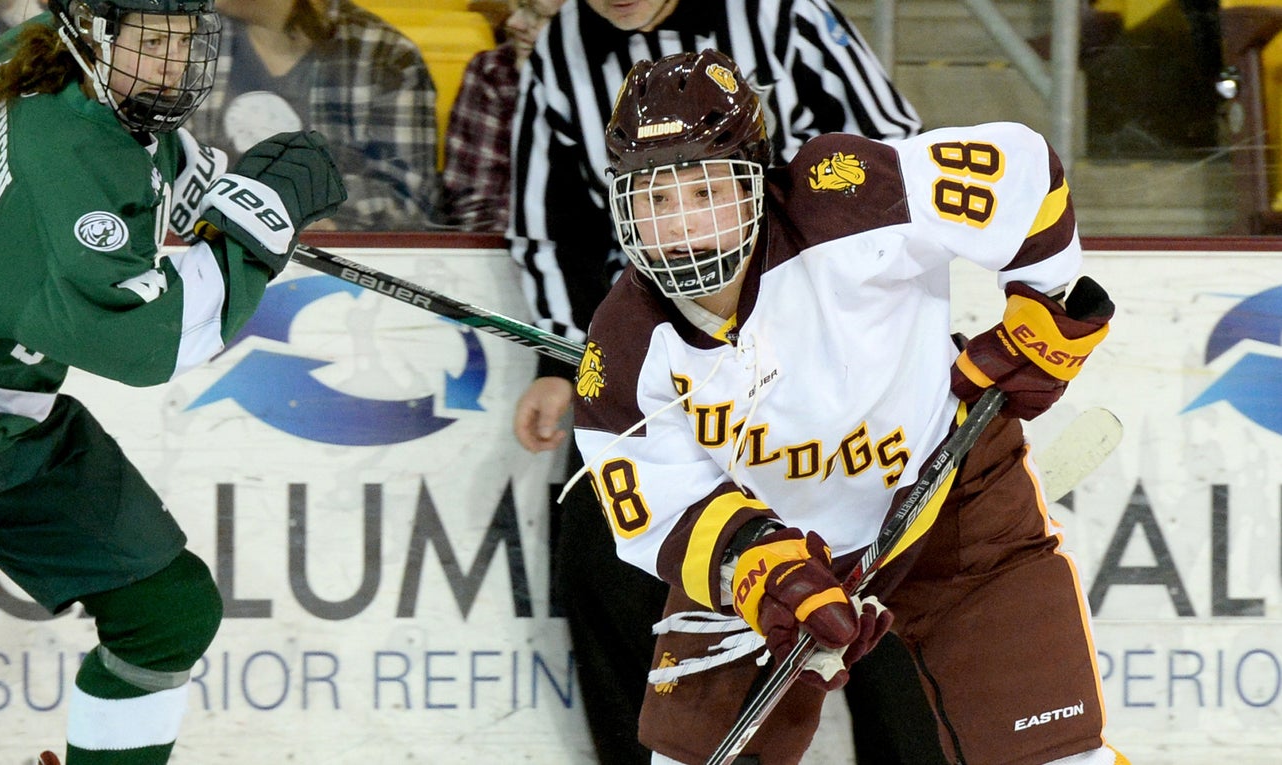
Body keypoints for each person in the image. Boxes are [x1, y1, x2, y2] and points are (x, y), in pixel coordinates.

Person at [571, 48, 1122, 765]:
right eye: (655, 198)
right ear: (623, 205)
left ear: (755, 181)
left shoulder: (851, 198)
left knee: (1057, 755)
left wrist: (1042, 315)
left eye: (705, 192)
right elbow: (663, 509)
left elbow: (1022, 171)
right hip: (777, 560)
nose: (682, 225)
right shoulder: (621, 346)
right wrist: (758, 570)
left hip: (952, 499)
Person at [505, 2, 922, 762]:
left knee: (884, 569)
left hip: (814, 341)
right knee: (606, 550)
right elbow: (548, 215)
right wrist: (565, 359)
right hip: (661, 356)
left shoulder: (779, 13)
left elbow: (895, 149)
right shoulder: (565, 48)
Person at [0, 1, 344, 763]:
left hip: (3, 411)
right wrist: (256, 232)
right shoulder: (65, 156)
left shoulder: (45, 57)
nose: (174, 63)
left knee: (166, 610)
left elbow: (147, 176)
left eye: (187, 39)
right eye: (153, 41)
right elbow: (152, 340)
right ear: (92, 31)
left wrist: (222, 194)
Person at [189, 0, 439, 230]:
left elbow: (406, 197)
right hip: (208, 246)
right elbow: (165, 171)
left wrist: (308, 216)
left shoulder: (386, 56)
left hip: (327, 265)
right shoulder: (188, 38)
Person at [441, 0, 566, 232]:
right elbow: (476, 210)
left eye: (538, 15)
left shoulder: (635, 80)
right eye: (518, 7)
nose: (513, 23)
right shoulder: (492, 71)